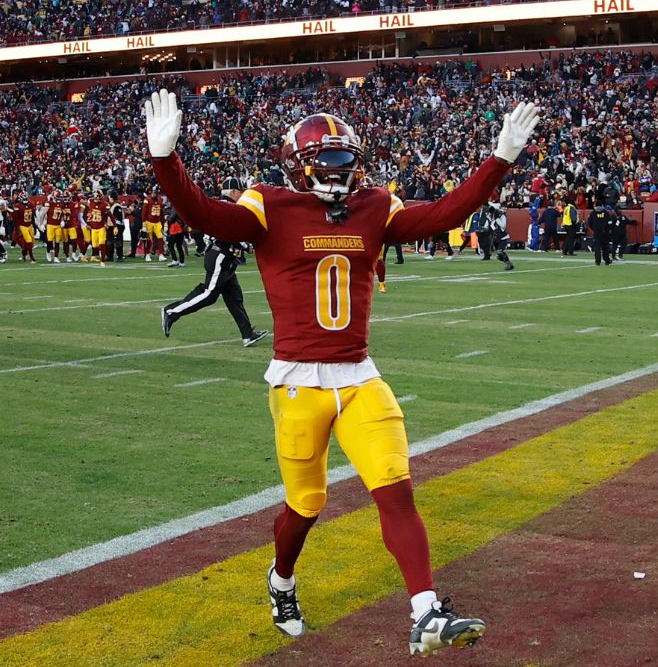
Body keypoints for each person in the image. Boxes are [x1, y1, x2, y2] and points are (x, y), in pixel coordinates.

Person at [145, 89, 541, 655]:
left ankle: (425, 611)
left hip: (359, 378)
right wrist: (166, 160)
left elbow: (444, 214)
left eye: (347, 159)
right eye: (329, 160)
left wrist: (500, 157)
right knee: (306, 504)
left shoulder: (375, 206)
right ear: (300, 164)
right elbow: (207, 215)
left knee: (396, 490)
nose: (341, 170)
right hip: (298, 382)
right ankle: (281, 579)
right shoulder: (268, 204)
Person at [161, 178, 269, 345]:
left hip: (224, 256)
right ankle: (172, 311)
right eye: (241, 191)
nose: (243, 195)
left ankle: (247, 334)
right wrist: (245, 245)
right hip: (220, 255)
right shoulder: (228, 208)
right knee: (209, 294)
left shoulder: (222, 206)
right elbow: (227, 232)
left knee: (234, 298)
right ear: (233, 192)